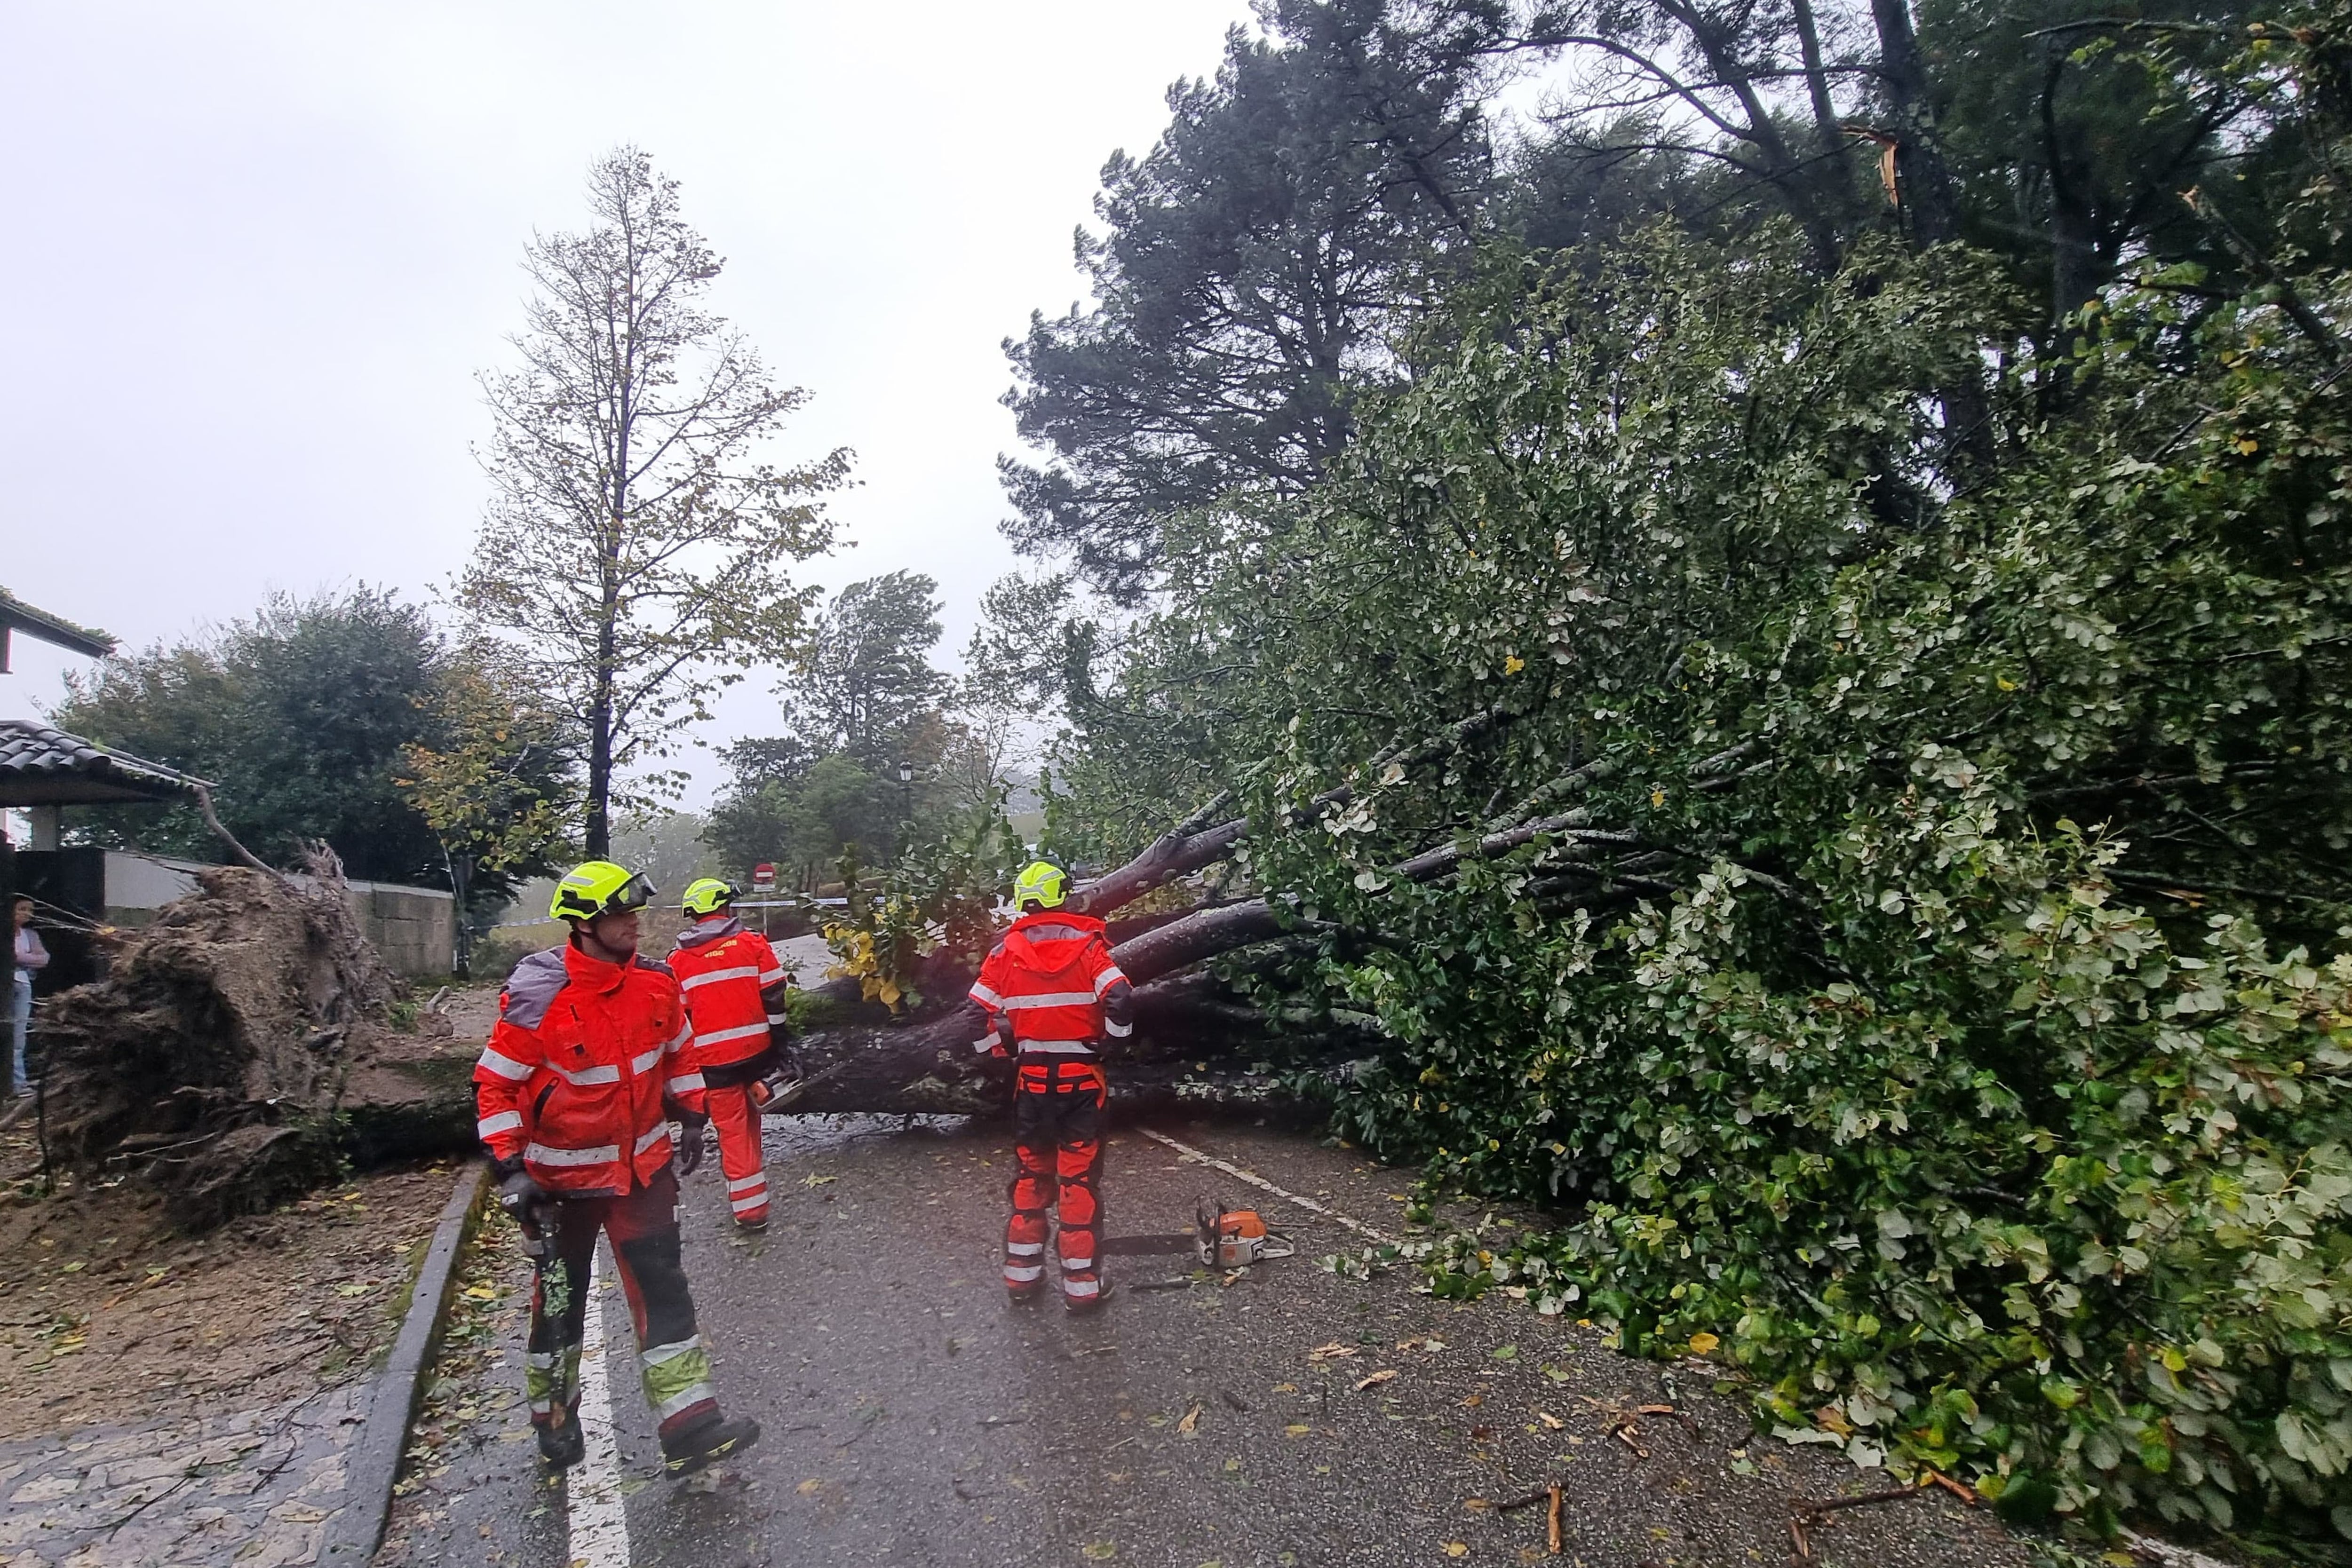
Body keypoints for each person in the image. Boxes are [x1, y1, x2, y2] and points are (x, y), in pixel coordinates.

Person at [472, 860, 760, 1475]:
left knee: (665, 1293)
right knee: (559, 1305)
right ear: (582, 923)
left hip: (644, 1175)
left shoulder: (657, 983)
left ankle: (691, 1426)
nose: (633, 923)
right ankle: (553, 1417)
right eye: (618, 913)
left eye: (633, 911)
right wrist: (511, 1171)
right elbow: (495, 1087)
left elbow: (681, 1050)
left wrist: (690, 1115)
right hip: (560, 1188)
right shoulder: (538, 996)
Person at [960, 861, 1135, 1314]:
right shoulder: (1088, 945)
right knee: (1077, 1180)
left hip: (1033, 1081)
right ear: (1063, 896)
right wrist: (1110, 1047)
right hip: (1081, 1081)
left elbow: (973, 1014)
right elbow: (1119, 997)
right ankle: (1082, 1288)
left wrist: (996, 1059)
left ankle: (1022, 1277)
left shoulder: (1005, 952)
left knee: (1032, 1176)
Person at [664, 878, 797, 1230]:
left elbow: (681, 1019)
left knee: (733, 1131)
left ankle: (750, 1209)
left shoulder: (677, 961)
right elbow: (774, 994)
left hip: (712, 1064)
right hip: (757, 1053)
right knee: (753, 1120)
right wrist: (780, 1038)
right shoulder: (751, 943)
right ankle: (752, 1203)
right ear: (724, 907)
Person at [10, 896, 48, 1098]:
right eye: (21, 909)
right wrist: (25, 960)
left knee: (19, 1034)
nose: (26, 914)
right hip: (7, 985)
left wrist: (21, 960)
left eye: (30, 910)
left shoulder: (30, 935)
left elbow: (44, 959)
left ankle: (18, 1082)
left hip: (23, 985)